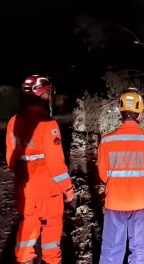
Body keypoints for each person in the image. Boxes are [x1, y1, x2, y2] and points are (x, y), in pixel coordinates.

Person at [5, 75, 75, 264]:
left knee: (27, 227)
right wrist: (67, 189)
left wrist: (22, 176)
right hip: (48, 191)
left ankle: (24, 259)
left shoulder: (13, 121)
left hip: (24, 188)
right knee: (51, 232)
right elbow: (55, 164)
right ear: (44, 95)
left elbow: (10, 159)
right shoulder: (48, 124)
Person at [98, 88, 144, 263]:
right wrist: (141, 185)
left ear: (120, 111)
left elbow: (103, 175)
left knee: (111, 248)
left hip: (115, 201)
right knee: (140, 249)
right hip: (141, 201)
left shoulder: (107, 140)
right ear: (140, 113)